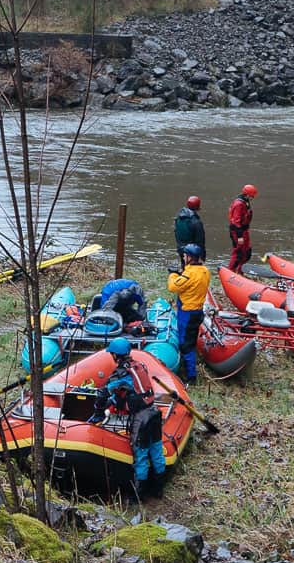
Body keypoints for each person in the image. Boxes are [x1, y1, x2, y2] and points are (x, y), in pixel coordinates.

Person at [87, 337, 166, 499]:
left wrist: (99, 411)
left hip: (142, 418)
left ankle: (139, 495)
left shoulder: (121, 374)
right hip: (154, 412)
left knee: (141, 455)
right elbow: (134, 390)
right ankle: (158, 489)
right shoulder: (139, 366)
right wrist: (115, 401)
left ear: (116, 355)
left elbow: (104, 392)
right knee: (156, 451)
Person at [167, 244, 209, 386]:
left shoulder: (190, 273)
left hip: (187, 313)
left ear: (189, 257)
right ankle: (188, 368)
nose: (183, 258)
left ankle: (190, 377)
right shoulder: (204, 271)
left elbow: (173, 286)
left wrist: (172, 274)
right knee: (190, 340)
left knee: (186, 344)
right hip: (197, 311)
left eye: (185, 255)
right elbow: (190, 283)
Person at [227, 184, 256, 274]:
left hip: (244, 230)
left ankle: (239, 271)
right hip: (238, 232)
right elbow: (236, 221)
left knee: (247, 252)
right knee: (238, 252)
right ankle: (231, 271)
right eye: (252, 196)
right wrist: (240, 236)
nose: (252, 198)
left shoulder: (245, 202)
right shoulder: (239, 204)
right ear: (247, 195)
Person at [173, 196, 206, 265]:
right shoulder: (196, 222)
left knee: (184, 267)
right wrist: (203, 256)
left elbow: (176, 233)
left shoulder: (178, 217)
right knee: (194, 271)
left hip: (181, 249)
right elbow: (200, 241)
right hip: (192, 252)